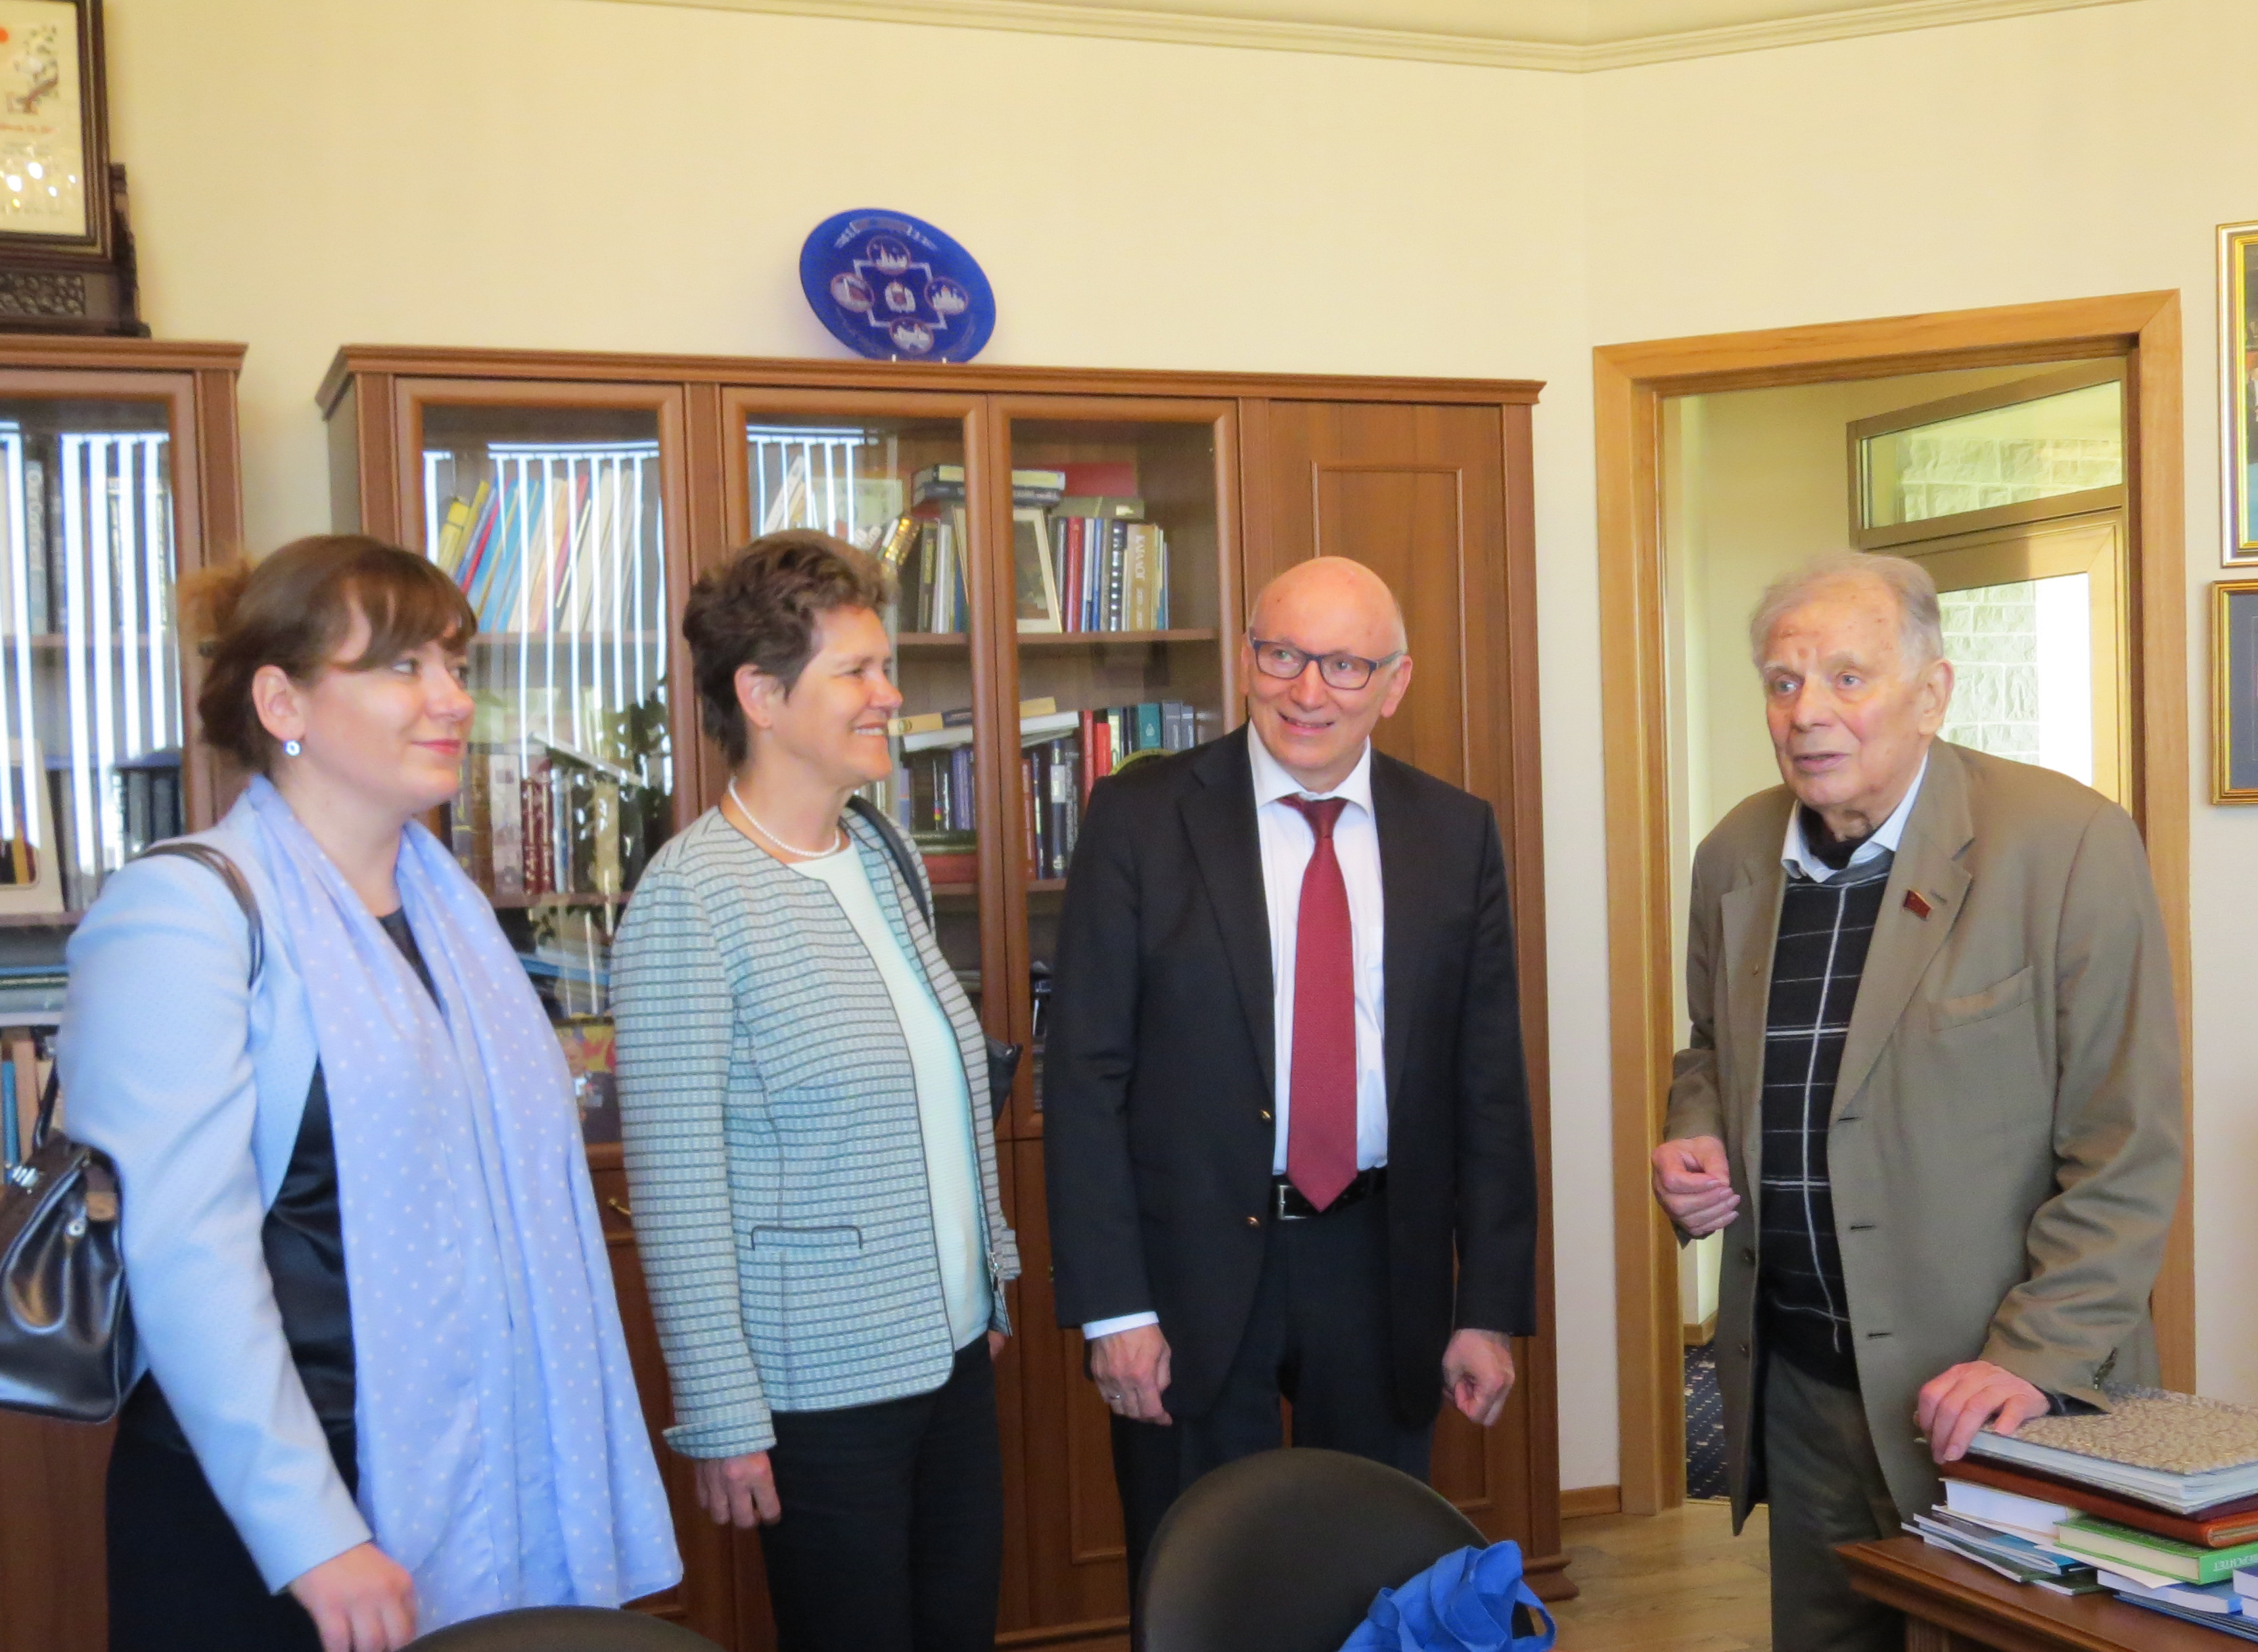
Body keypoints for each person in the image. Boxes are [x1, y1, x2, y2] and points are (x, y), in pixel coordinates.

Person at [62, 536, 680, 1652]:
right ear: (281, 698)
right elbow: (183, 1255)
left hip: (480, 1461)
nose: (450, 698)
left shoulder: (453, 916)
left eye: (455, 662)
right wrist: (310, 1533)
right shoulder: (186, 911)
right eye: (401, 666)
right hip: (268, 1510)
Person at [1651, 551, 2183, 1652]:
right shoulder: (1731, 859)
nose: (1809, 714)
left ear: (1933, 693)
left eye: (1849, 678)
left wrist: (2030, 1358)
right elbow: (1709, 1049)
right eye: (1784, 681)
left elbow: (2126, 1148)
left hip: (1998, 1389)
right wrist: (1696, 1131)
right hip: (1802, 1382)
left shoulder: (2069, 845)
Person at [1044, 555, 1540, 1592]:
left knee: (1373, 1574)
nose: (1308, 691)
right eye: (1284, 655)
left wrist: (1486, 1304)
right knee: (1198, 1574)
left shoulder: (1457, 833)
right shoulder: (1139, 818)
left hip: (1381, 1259)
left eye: (1345, 665)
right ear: (1245, 660)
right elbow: (1086, 1075)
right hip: (1186, 1274)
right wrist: (1113, 1308)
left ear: (1394, 683)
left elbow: (1487, 1085)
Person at [611, 530, 1019, 1652]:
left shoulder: (880, 853)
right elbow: (680, 1186)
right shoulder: (692, 898)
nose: (890, 695)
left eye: (885, 667)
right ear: (761, 695)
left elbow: (935, 1085)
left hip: (949, 1352)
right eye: (858, 671)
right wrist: (725, 1414)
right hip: (820, 1388)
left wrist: (987, 1272)